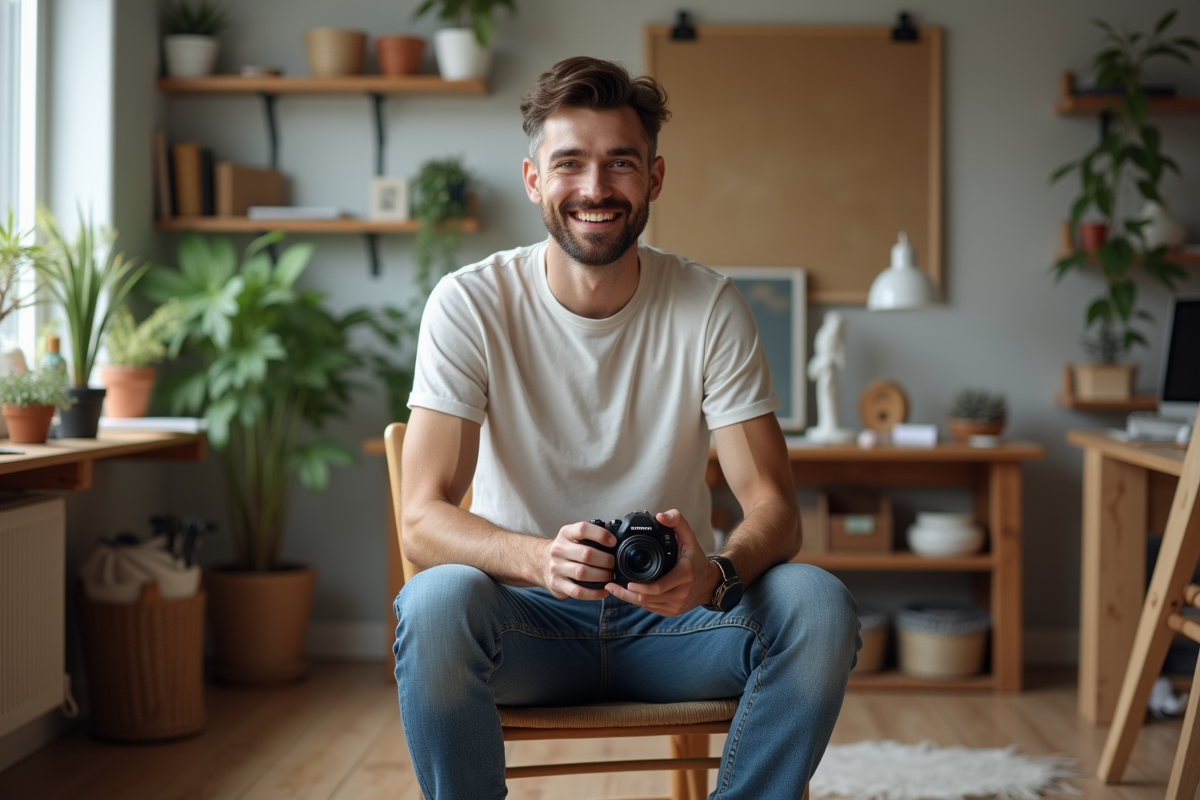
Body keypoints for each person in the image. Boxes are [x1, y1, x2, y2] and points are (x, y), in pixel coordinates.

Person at [394, 56, 859, 800]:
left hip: (679, 625)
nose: (595, 189)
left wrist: (716, 574)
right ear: (533, 179)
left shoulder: (709, 305)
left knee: (818, 605)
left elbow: (773, 506)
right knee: (433, 602)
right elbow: (420, 521)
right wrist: (540, 558)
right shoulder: (470, 303)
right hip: (526, 623)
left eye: (621, 164)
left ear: (655, 178)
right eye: (570, 164)